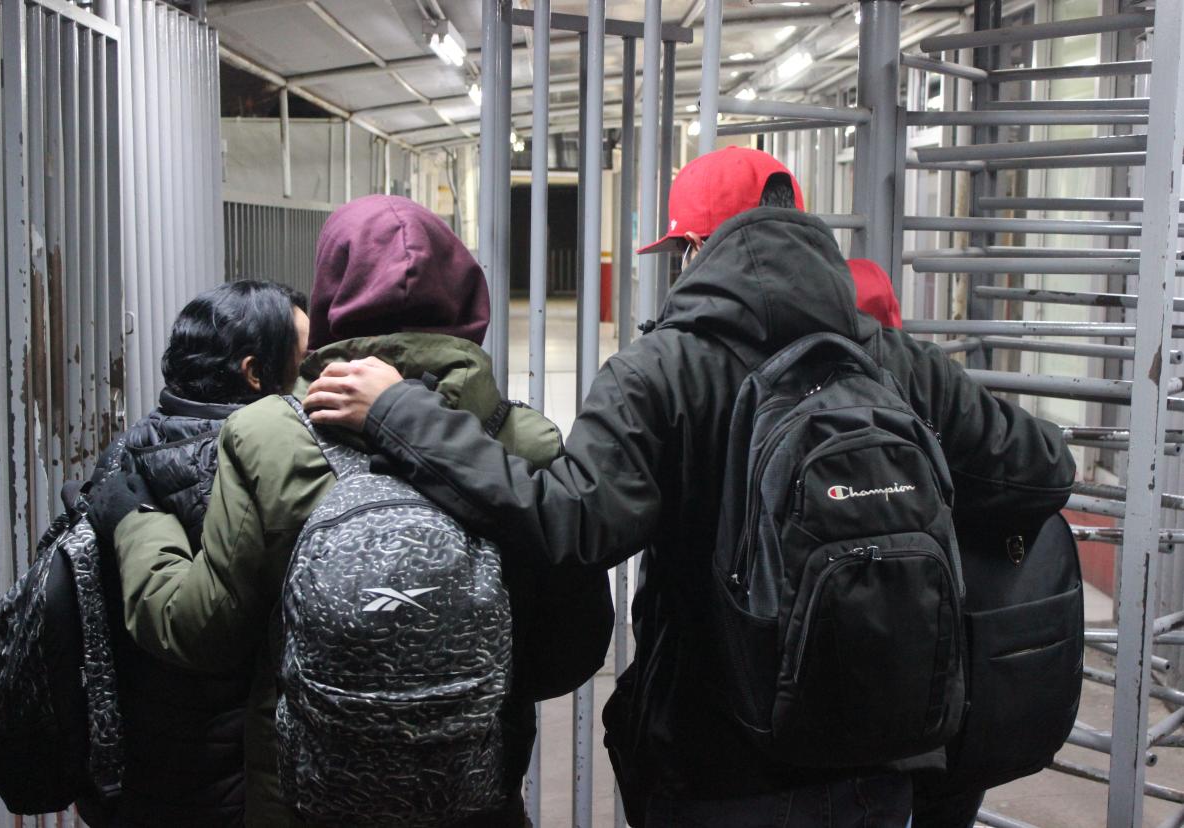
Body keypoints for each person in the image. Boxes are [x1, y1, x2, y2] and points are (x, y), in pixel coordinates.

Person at [301, 149, 1077, 827]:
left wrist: (399, 410)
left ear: (700, 246)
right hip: (886, 758)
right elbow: (1041, 469)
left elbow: (571, 522)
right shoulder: (897, 362)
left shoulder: (662, 372)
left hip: (718, 761)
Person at [91, 195, 613, 827]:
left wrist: (137, 519)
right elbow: (571, 651)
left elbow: (198, 629)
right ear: (468, 301)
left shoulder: (267, 433)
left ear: (330, 302)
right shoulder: (522, 443)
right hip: (473, 802)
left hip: (307, 804)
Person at [81, 280, 309, 827]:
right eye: (304, 361)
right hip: (228, 779)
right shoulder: (248, 468)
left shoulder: (131, 447)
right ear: (256, 374)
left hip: (144, 764)